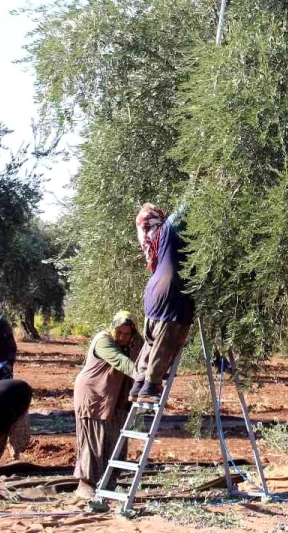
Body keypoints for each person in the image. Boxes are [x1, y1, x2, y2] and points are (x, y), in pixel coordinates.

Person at [72, 310, 143, 499]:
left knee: (115, 439)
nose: (122, 337)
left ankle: (108, 483)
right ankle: (85, 484)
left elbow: (146, 357)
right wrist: (147, 379)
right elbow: (122, 363)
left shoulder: (136, 342)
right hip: (94, 395)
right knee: (94, 441)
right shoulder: (103, 340)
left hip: (117, 398)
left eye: (127, 334)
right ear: (113, 328)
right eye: (119, 332)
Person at [129, 203, 195, 404]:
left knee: (151, 343)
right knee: (165, 344)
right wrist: (196, 182)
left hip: (153, 297)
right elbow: (184, 208)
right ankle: (150, 388)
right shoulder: (167, 231)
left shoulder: (155, 243)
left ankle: (138, 386)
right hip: (170, 298)